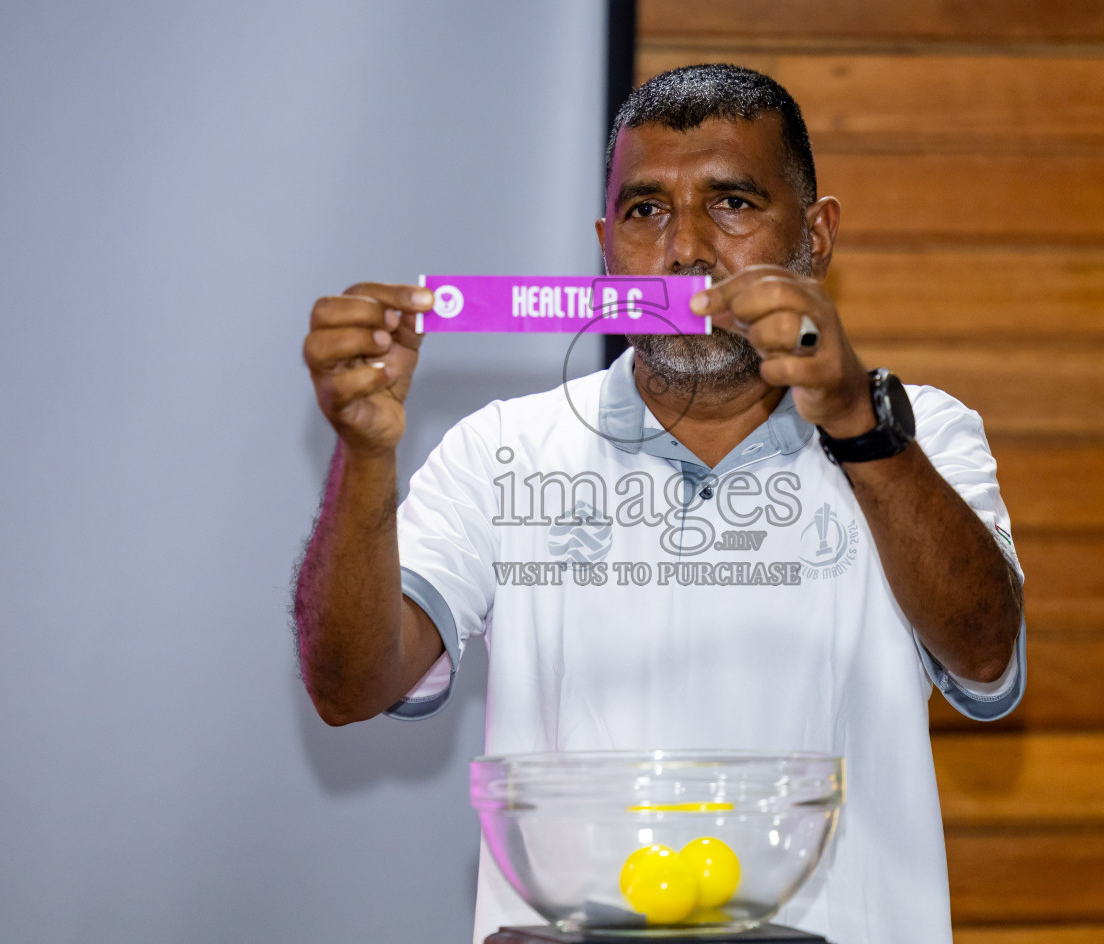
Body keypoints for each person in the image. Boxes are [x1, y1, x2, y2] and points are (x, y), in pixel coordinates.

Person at [293, 64, 1025, 944]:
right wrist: (366, 457)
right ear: (606, 246)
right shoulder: (503, 451)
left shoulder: (922, 434)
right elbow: (348, 686)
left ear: (818, 235)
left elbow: (987, 656)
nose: (684, 250)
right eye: (646, 212)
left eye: (732, 204)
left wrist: (857, 427)